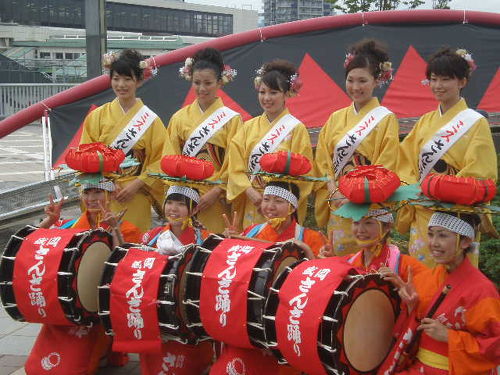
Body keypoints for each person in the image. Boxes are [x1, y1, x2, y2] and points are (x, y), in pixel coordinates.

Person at [24, 180, 141, 374]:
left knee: (76, 366)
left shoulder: (127, 228)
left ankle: (103, 348)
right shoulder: (72, 225)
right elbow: (35, 247)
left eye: (98, 192)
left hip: (98, 303)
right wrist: (49, 222)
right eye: (87, 193)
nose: (92, 198)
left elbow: (126, 267)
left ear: (110, 195)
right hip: (70, 298)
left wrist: (115, 229)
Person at [397, 47, 497, 267]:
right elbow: (405, 162)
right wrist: (416, 190)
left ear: (462, 81)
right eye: (433, 79)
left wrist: (445, 190)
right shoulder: (424, 121)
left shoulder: (475, 122)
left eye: (446, 79)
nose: (438, 86)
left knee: (455, 282)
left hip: (456, 213)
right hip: (424, 211)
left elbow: (480, 170)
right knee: (422, 280)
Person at [314, 39, 399, 256]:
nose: (355, 87)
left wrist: (357, 195)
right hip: (338, 202)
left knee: (367, 267)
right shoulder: (335, 118)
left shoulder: (385, 119)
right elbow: (323, 160)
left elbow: (386, 165)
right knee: (337, 266)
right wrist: (332, 188)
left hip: (368, 209)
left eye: (363, 80)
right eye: (350, 80)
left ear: (377, 80)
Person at [387, 212, 500, 375]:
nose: (433, 243)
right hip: (418, 368)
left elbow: (495, 345)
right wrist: (411, 306)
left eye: (442, 236)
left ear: (466, 241)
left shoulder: (482, 290)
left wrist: (450, 337)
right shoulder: (423, 279)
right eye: (431, 235)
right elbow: (411, 330)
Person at [80, 49, 168, 232]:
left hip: (135, 196)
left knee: (131, 246)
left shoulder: (151, 121)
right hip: (103, 195)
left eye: (128, 79)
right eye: (116, 78)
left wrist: (137, 184)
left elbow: (161, 160)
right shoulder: (97, 116)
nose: (121, 85)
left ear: (139, 80)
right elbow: (85, 156)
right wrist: (108, 184)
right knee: (101, 244)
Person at [162, 47, 242, 233]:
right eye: (197, 82)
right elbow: (169, 157)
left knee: (212, 247)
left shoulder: (232, 119)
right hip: (184, 197)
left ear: (219, 82)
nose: (202, 88)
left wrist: (217, 191)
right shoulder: (179, 118)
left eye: (208, 83)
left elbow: (235, 161)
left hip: (215, 198)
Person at [227, 59, 313, 229]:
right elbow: (234, 168)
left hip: (281, 207)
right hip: (253, 203)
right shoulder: (247, 128)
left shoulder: (296, 129)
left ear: (287, 93)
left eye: (273, 92)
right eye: (262, 92)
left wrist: (277, 200)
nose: (266, 98)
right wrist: (250, 192)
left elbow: (305, 175)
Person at [139, 185, 213, 375]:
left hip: (187, 310)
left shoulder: (205, 239)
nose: (173, 208)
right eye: (169, 202)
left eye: (180, 204)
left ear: (194, 209)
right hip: (155, 306)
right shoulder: (152, 236)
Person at [320, 207, 427, 283]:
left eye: (368, 223)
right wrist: (332, 261)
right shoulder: (350, 261)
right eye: (356, 223)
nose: (360, 230)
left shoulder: (407, 267)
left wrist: (400, 287)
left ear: (387, 227)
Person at [229, 181, 325, 258]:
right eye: (266, 199)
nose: (270, 207)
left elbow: (319, 273)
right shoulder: (251, 232)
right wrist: (230, 241)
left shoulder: (312, 238)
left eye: (278, 201)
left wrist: (306, 248)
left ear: (293, 208)